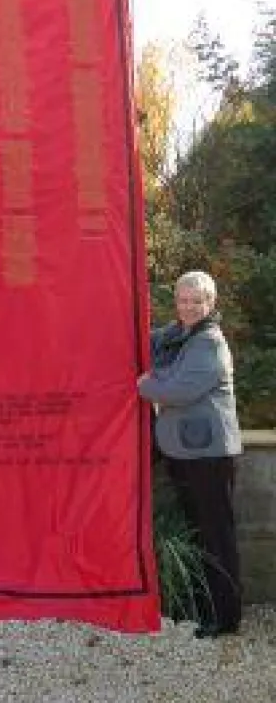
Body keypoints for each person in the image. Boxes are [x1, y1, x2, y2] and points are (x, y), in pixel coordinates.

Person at [138, 270, 243, 639]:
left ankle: (226, 618)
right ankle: (205, 609)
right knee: (200, 533)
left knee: (216, 536)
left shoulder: (208, 342)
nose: (189, 307)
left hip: (209, 456)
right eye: (183, 301)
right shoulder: (179, 335)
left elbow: (179, 390)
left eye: (197, 301)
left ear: (210, 303)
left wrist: (143, 385)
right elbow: (143, 343)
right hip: (187, 452)